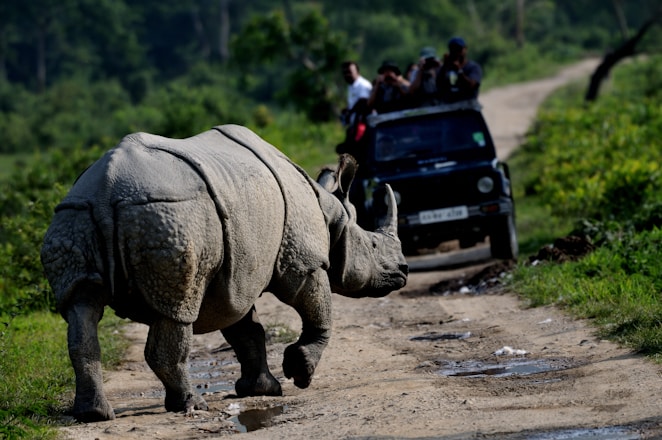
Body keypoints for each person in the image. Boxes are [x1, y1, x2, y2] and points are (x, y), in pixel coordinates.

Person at [437, 37, 482, 103]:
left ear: (465, 49)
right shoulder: (445, 68)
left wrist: (459, 71)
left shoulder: (473, 67)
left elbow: (471, 85)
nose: (456, 52)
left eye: (459, 49)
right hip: (449, 107)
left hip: (469, 106)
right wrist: (445, 66)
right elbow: (439, 86)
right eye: (453, 49)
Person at [340, 61, 372, 127]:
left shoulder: (363, 85)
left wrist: (350, 112)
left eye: (349, 72)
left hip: (364, 125)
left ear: (357, 72)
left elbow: (363, 102)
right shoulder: (351, 86)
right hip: (354, 124)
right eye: (345, 73)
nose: (347, 75)